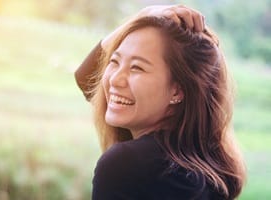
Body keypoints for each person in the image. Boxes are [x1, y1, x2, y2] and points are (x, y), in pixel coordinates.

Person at [75, 5, 246, 200]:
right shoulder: (208, 163)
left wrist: (144, 15)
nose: (115, 79)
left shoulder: (126, 165)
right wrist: (145, 16)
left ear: (178, 90)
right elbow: (88, 80)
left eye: (137, 68)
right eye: (115, 62)